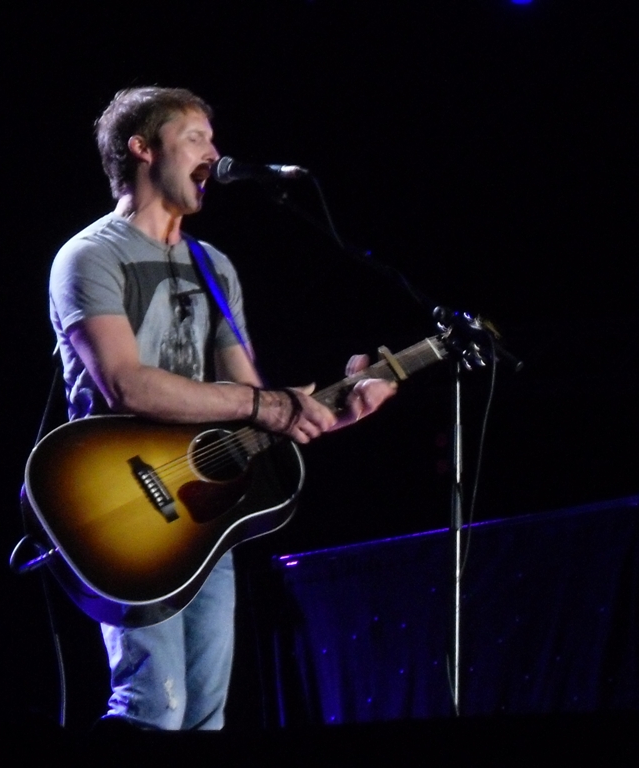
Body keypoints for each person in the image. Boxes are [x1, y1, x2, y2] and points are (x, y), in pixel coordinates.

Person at [48, 86, 396, 730]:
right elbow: (125, 383)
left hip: (208, 508)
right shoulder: (92, 255)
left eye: (213, 138)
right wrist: (262, 404)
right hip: (120, 504)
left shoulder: (215, 267)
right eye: (195, 138)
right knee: (155, 703)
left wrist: (337, 409)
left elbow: (252, 404)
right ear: (142, 148)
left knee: (205, 714)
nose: (215, 151)